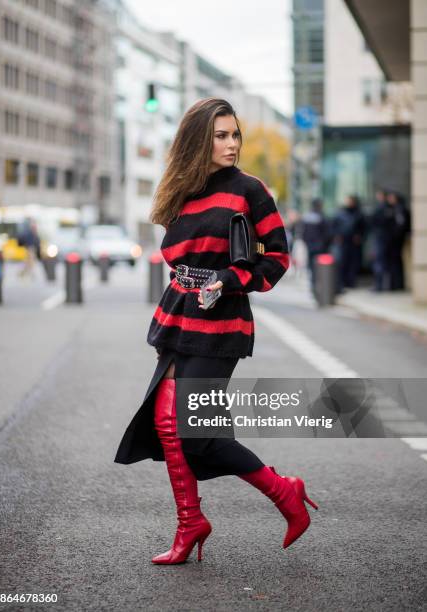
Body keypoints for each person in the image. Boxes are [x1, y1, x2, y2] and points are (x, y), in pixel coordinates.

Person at [114, 98, 318, 565]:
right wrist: (191, 280)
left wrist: (229, 279)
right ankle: (190, 524)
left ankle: (284, 492)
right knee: (167, 425)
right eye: (220, 136)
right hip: (178, 318)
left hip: (222, 323)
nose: (231, 144)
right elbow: (177, 255)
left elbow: (277, 260)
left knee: (196, 433)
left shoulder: (250, 190)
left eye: (235, 135)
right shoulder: (179, 190)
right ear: (197, 141)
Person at [332, 195, 366, 291]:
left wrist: (360, 236)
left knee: (353, 263)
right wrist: (336, 236)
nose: (349, 202)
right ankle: (342, 282)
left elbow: (363, 227)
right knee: (342, 262)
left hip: (354, 242)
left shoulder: (358, 213)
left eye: (350, 201)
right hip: (343, 242)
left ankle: (351, 281)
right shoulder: (340, 213)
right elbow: (334, 226)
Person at [300, 198, 330, 293]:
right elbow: (326, 233)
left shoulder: (307, 217)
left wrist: (306, 242)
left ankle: (313, 285)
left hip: (310, 245)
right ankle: (319, 285)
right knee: (319, 267)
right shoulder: (322, 217)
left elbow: (303, 232)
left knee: (312, 266)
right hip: (320, 246)